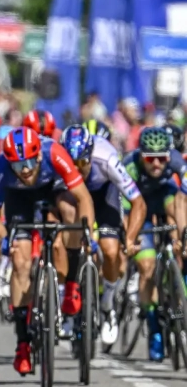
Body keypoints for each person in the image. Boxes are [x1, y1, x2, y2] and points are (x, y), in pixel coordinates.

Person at [0, 127, 94, 375]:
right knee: (20, 261)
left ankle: (71, 287)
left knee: (69, 215)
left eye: (28, 162)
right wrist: (4, 239)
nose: (24, 169)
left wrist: (85, 230)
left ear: (38, 156)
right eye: (17, 164)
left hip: (52, 189)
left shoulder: (54, 153)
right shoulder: (3, 166)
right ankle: (22, 343)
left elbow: (84, 198)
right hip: (19, 199)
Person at [59, 125, 146, 345]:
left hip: (104, 193)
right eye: (72, 164)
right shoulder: (59, 161)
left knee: (110, 249)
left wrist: (130, 237)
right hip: (75, 195)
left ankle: (108, 306)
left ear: (90, 155)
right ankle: (67, 303)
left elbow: (138, 202)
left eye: (82, 163)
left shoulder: (106, 158)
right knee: (68, 240)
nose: (77, 169)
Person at [122, 127, 187, 361]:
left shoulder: (177, 161)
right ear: (141, 156)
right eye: (151, 158)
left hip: (164, 197)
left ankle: (175, 279)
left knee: (177, 211)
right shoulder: (129, 166)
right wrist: (131, 237)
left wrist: (182, 236)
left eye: (162, 158)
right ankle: (154, 328)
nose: (157, 164)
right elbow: (125, 211)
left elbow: (181, 201)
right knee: (147, 266)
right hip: (137, 204)